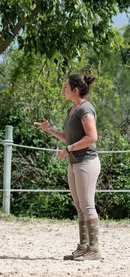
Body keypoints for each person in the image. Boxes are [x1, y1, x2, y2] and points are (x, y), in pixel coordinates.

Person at [34, 74, 102, 261]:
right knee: (80, 206)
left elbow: (91, 137)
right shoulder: (73, 109)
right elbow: (70, 137)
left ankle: (94, 249)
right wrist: (51, 130)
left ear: (75, 90)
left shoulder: (85, 109)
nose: (63, 89)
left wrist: (69, 149)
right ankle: (83, 247)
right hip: (75, 163)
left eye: (66, 86)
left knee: (87, 205)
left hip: (86, 162)